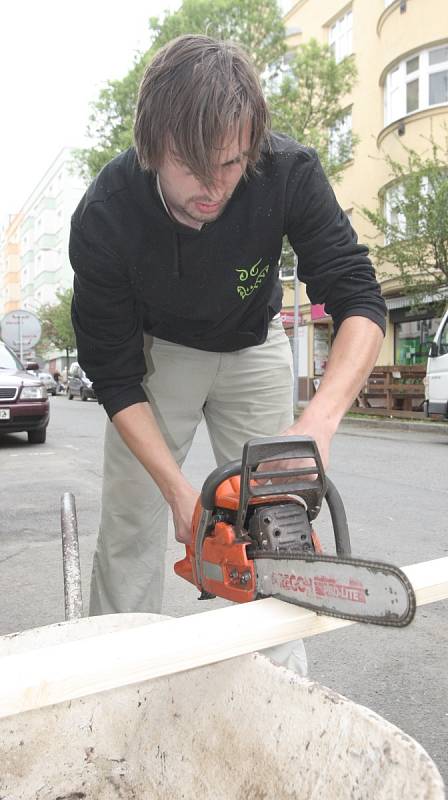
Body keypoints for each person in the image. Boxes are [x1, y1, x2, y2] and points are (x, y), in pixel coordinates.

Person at [69, 35, 386, 670]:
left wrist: (316, 428)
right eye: (193, 167)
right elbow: (113, 372)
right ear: (154, 144)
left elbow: (360, 301)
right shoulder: (107, 213)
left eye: (232, 164)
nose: (215, 189)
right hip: (159, 356)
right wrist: (180, 493)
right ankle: (114, 678)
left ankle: (280, 687)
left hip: (254, 343)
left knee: (276, 524)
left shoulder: (287, 170)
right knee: (133, 522)